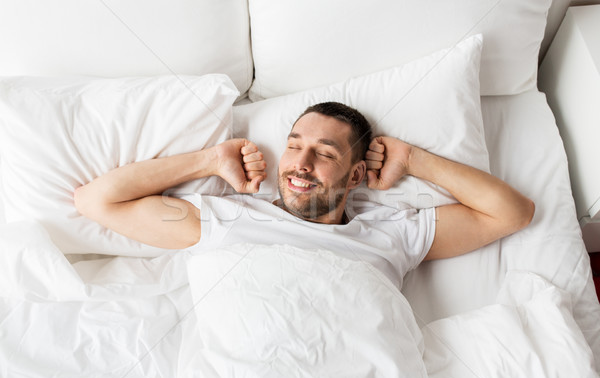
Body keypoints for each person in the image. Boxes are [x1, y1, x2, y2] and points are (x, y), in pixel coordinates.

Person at [74, 102, 534, 288]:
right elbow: (97, 202)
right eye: (294, 146)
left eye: (323, 153)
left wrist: (413, 160)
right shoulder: (229, 218)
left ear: (355, 176)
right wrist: (210, 161)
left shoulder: (393, 232)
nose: (300, 164)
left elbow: (512, 213)